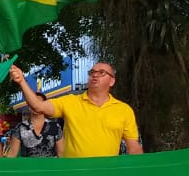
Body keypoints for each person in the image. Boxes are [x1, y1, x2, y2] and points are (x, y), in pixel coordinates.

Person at [10, 61, 143, 157]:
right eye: (92, 72)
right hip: (73, 175)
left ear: (112, 81)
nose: (95, 75)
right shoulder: (70, 101)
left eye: (101, 73)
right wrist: (22, 81)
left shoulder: (124, 110)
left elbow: (134, 148)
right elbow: (37, 106)